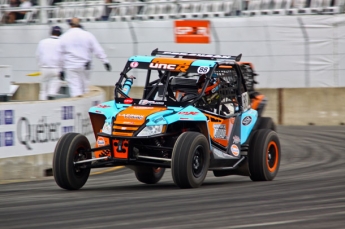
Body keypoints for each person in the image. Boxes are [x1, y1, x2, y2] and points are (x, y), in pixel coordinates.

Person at [58, 17, 111, 97]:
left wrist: (61, 70)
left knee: (75, 88)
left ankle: (77, 104)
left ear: (70, 25)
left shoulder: (64, 37)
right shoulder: (88, 35)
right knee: (85, 87)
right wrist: (105, 61)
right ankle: (85, 104)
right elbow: (97, 49)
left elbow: (60, 54)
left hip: (71, 66)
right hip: (85, 65)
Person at [35, 26, 63, 100]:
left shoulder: (42, 42)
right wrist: (62, 69)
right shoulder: (62, 43)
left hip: (44, 68)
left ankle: (42, 105)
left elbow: (38, 55)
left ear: (50, 32)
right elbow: (63, 57)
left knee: (43, 90)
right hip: (56, 68)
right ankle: (51, 95)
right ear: (60, 33)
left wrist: (40, 66)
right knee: (55, 84)